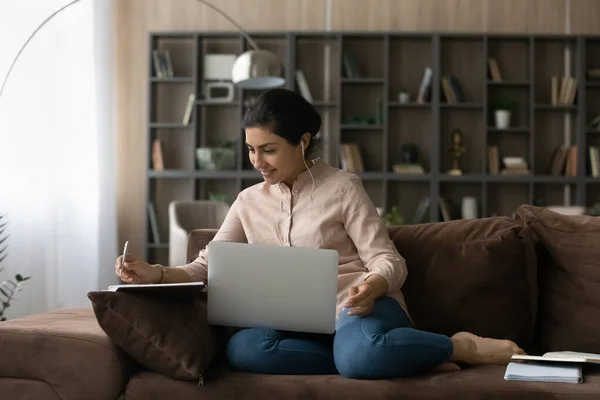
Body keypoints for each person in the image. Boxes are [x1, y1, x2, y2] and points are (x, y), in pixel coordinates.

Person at [115, 88, 525, 379]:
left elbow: (389, 260)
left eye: (269, 149)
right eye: (251, 149)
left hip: (356, 310)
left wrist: (375, 284)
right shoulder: (247, 202)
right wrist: (156, 273)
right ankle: (397, 356)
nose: (258, 161)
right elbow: (209, 265)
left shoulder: (343, 187)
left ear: (303, 141)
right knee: (243, 349)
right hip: (286, 321)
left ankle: (460, 346)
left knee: (361, 354)